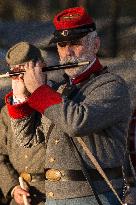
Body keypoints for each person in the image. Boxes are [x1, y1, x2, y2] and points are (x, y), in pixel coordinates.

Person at [6, 7, 132, 205]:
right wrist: (20, 96)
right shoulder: (57, 91)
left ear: (95, 45)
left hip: (96, 197)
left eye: (75, 43)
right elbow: (27, 139)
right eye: (62, 45)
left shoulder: (111, 85)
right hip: (54, 198)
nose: (68, 52)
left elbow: (76, 123)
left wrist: (39, 90)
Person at [0, 42, 49, 205]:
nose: (22, 80)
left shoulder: (59, 100)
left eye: (26, 73)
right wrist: (13, 187)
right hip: (22, 193)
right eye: (16, 74)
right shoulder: (6, 112)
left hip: (55, 194)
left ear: (42, 68)